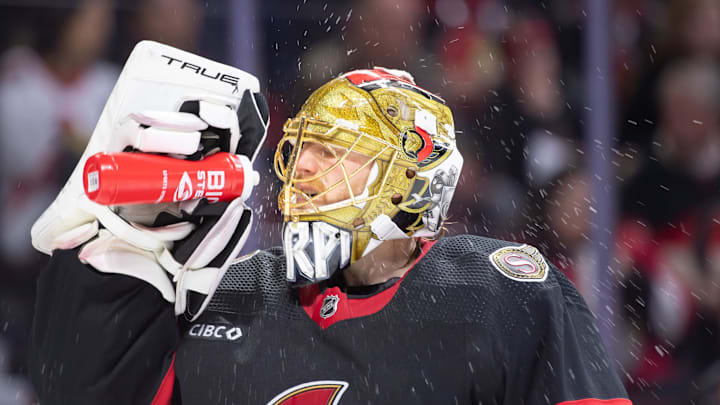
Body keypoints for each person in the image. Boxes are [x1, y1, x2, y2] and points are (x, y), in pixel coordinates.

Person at [27, 45, 631, 404]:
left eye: (340, 152)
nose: (307, 168)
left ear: (414, 180)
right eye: (305, 148)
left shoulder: (502, 294)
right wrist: (110, 296)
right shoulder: (234, 296)